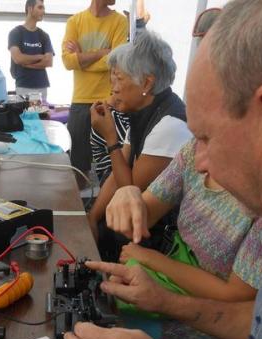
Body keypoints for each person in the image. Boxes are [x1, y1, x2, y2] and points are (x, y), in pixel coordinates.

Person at [64, 0, 262, 339]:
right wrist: (168, 301)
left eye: (205, 137)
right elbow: (252, 324)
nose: (196, 163)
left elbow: (237, 297)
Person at [119, 138, 262, 339]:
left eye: (210, 135)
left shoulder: (256, 200)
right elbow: (137, 221)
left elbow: (236, 297)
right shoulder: (194, 151)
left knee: (120, 338)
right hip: (175, 286)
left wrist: (152, 261)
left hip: (221, 325)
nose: (199, 163)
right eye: (199, 135)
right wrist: (128, 195)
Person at [87, 31, 192, 246]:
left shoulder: (170, 124)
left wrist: (110, 138)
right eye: (112, 78)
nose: (113, 88)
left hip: (166, 236)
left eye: (120, 79)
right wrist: (92, 217)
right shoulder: (143, 111)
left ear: (146, 83)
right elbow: (119, 174)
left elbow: (130, 188)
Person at [62, 0, 128, 173]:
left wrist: (82, 59)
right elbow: (68, 61)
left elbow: (114, 60)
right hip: (80, 100)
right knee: (77, 163)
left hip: (109, 100)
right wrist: (100, 53)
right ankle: (80, 199)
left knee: (111, 160)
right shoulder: (74, 22)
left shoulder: (120, 21)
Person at [90, 69, 130, 185]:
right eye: (115, 74)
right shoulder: (106, 114)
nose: (116, 87)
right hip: (112, 179)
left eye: (122, 77)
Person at [8, 0, 54, 102]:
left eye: (44, 8)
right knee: (24, 116)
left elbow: (49, 62)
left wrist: (27, 64)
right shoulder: (16, 33)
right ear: (30, 8)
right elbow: (18, 58)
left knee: (41, 117)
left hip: (41, 87)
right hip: (23, 86)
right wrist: (39, 57)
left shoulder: (44, 36)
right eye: (40, 7)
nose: (43, 11)